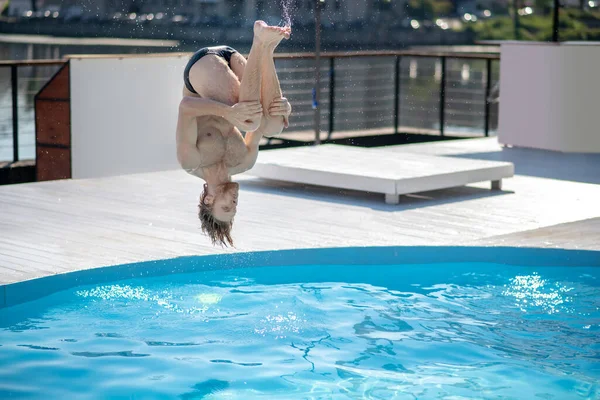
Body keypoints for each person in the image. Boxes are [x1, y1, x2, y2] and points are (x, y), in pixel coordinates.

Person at [176, 21, 292, 247]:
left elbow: (186, 107)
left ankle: (259, 42)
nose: (235, 204)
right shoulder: (244, 162)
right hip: (234, 60)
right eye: (234, 210)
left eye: (226, 207)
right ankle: (266, 48)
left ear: (209, 200)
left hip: (202, 69)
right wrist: (285, 109)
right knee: (274, 126)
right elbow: (264, 120)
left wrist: (228, 112)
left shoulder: (191, 161)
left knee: (248, 120)